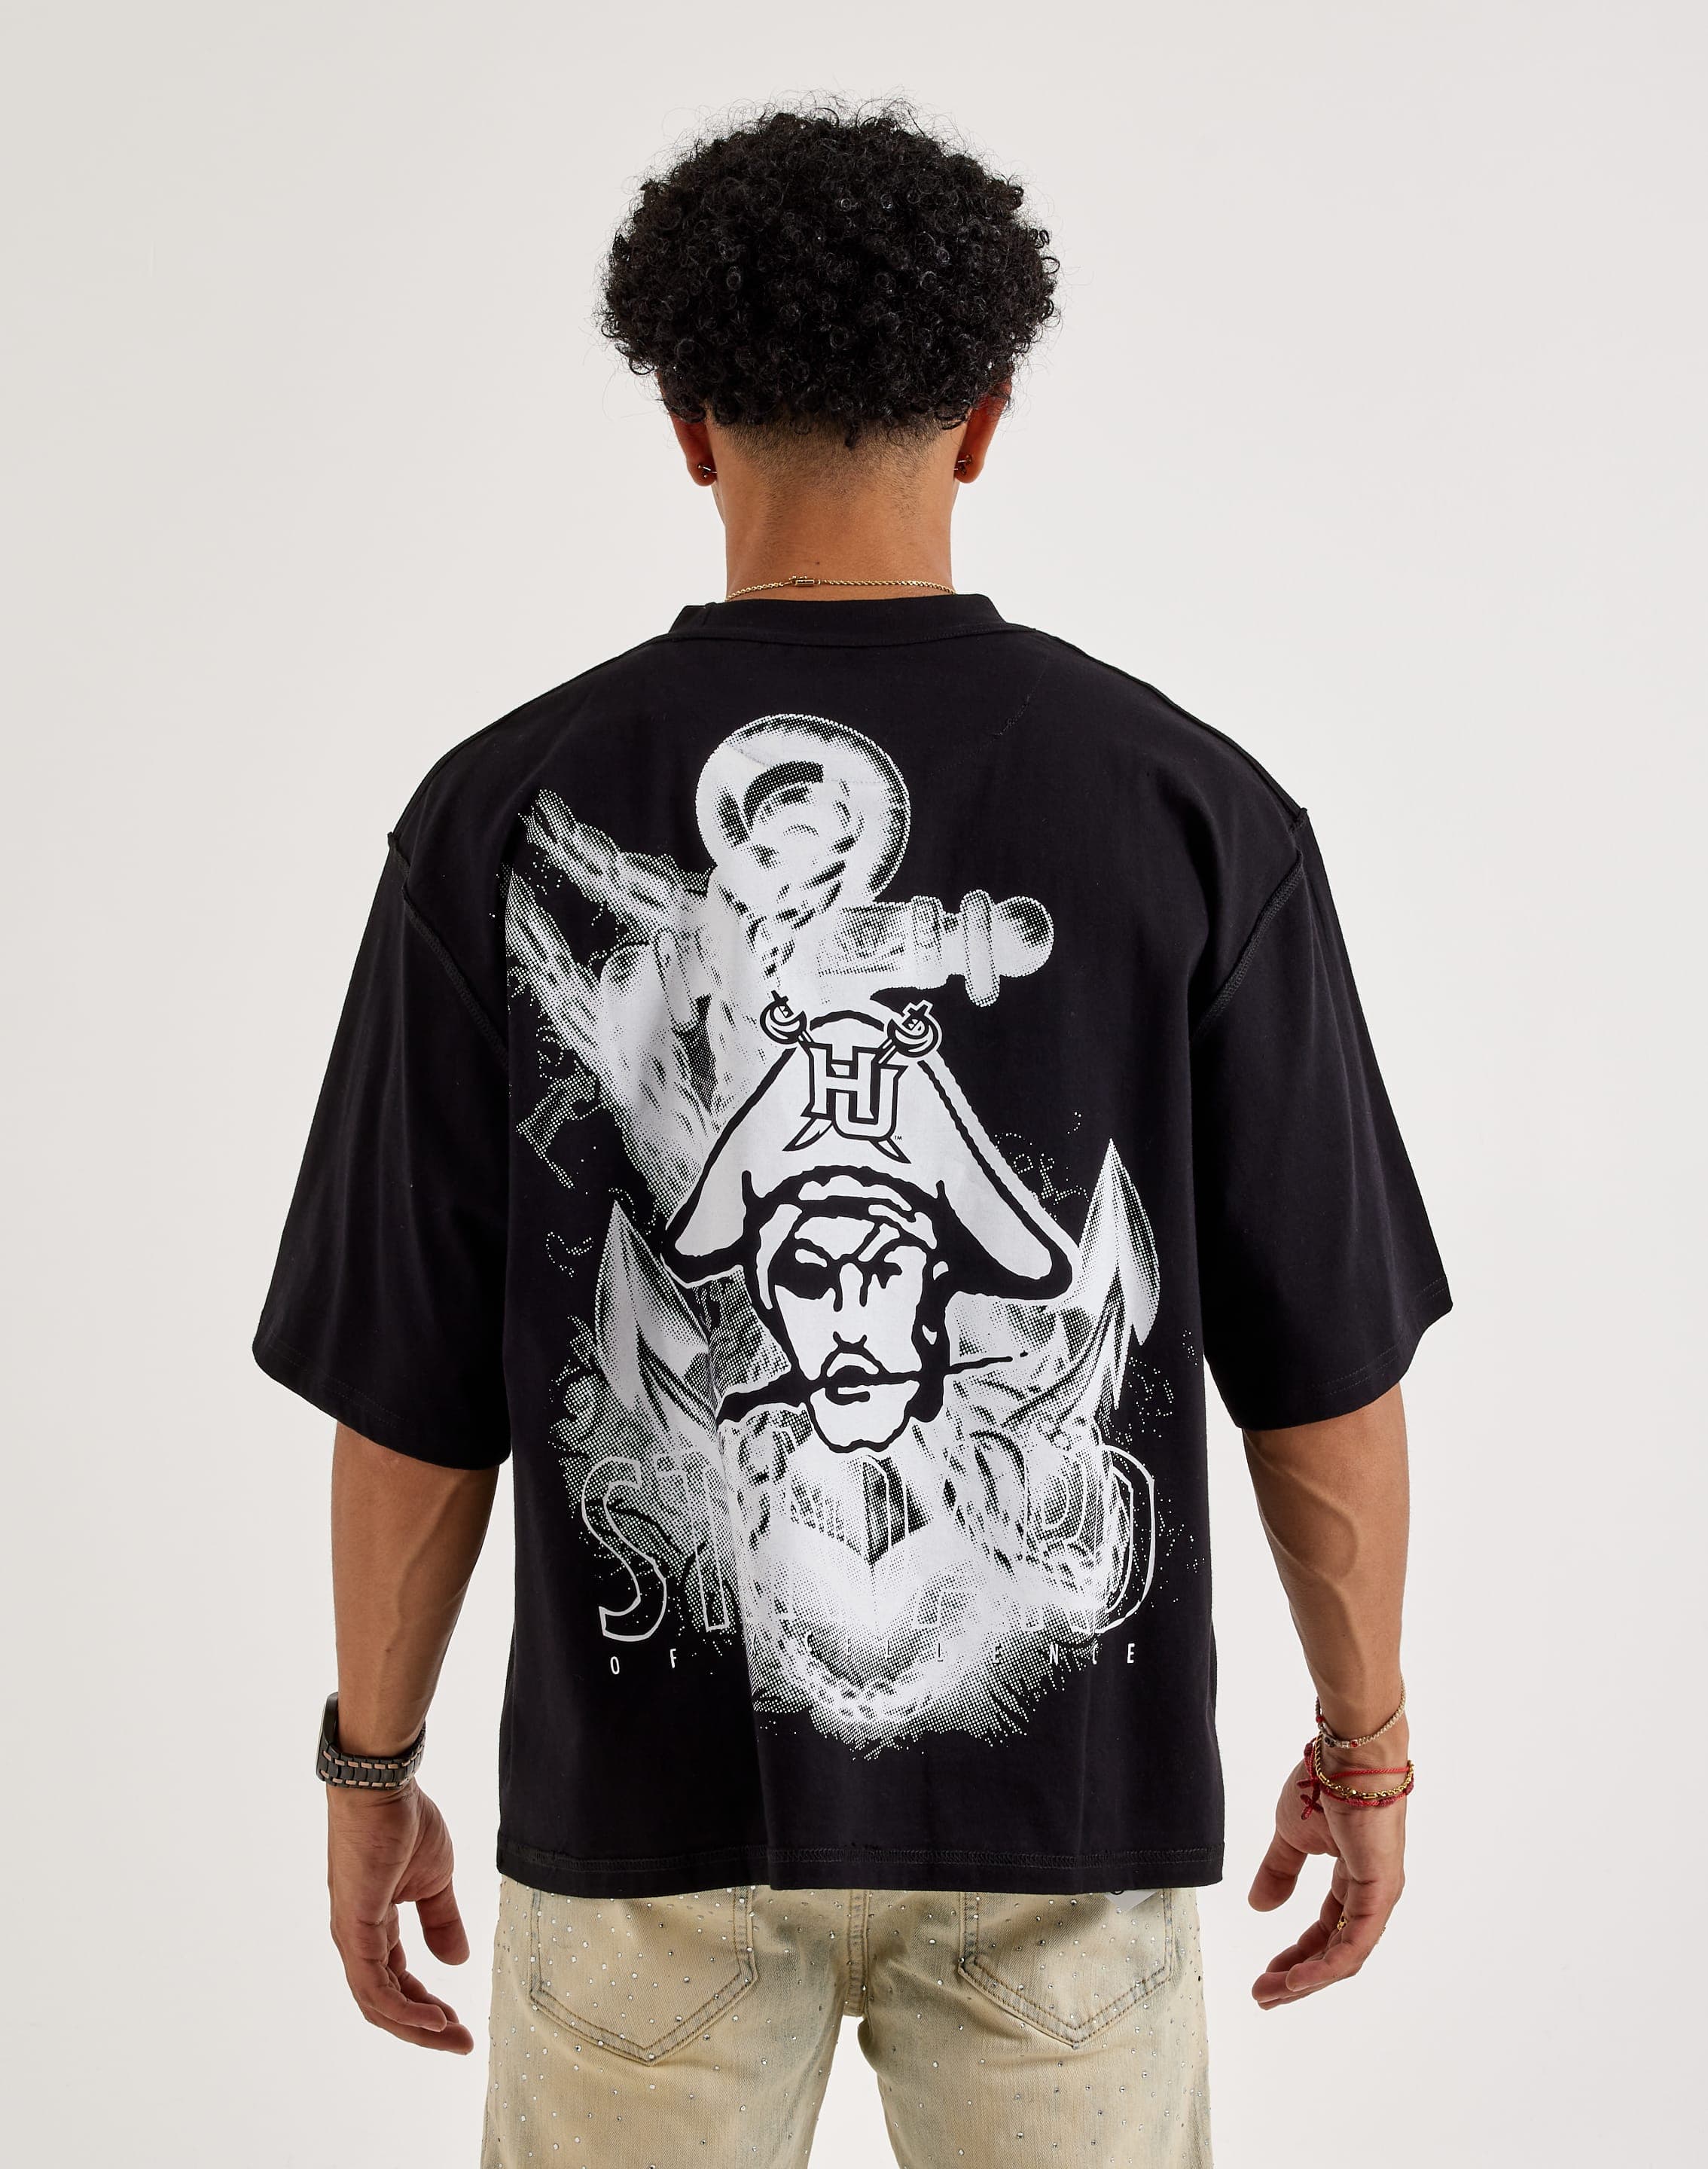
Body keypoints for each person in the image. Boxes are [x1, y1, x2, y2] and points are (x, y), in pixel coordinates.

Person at [255, 100, 1450, 2169]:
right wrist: (1370, 1749)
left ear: (684, 423)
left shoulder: (498, 815)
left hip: (643, 1851)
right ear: (984, 420)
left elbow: (411, 1390)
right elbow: (1324, 1372)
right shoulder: (1186, 808)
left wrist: (371, 1768)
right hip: (1060, 1841)